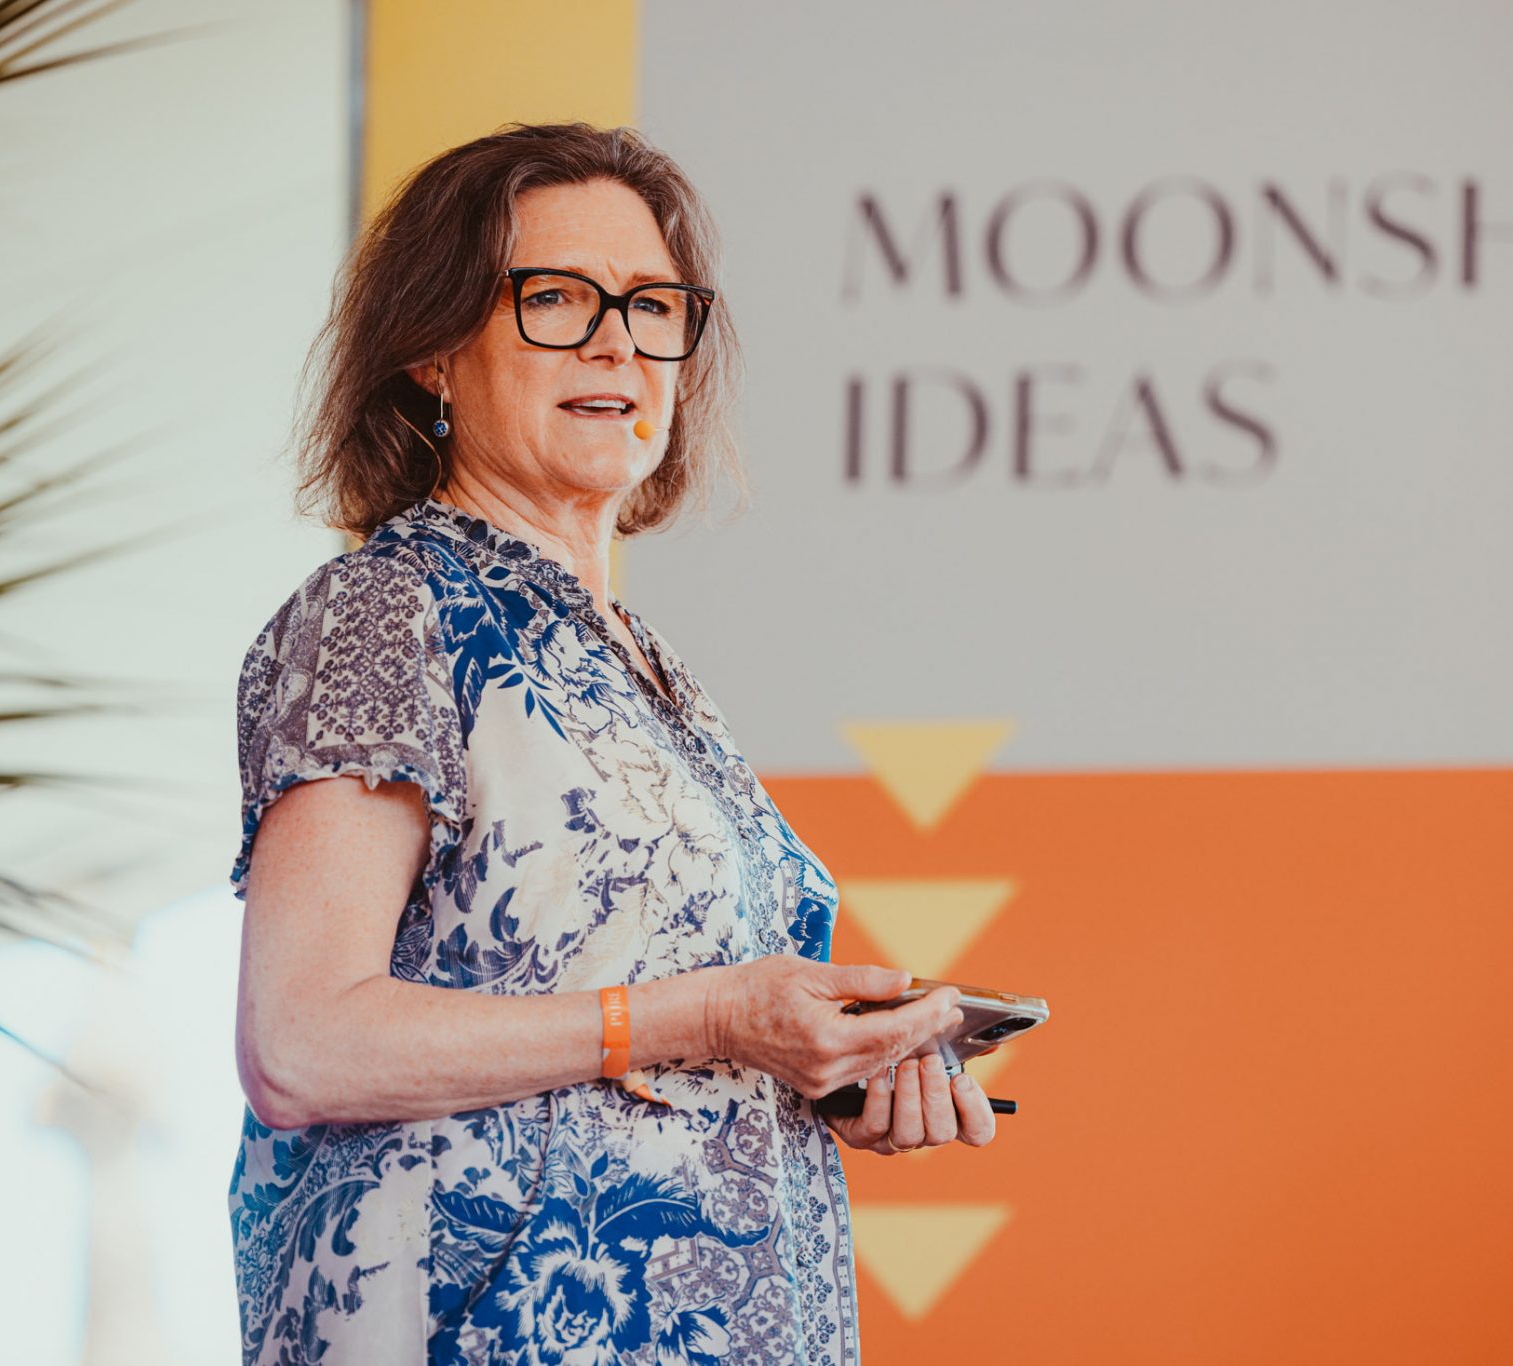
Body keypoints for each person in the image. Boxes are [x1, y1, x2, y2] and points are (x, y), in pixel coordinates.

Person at [227, 121, 997, 1365]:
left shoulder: (642, 665)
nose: (615, 343)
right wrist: (716, 1016)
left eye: (651, 306)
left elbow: (639, 1033)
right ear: (431, 348)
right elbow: (301, 1045)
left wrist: (827, 1077)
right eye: (555, 299)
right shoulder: (388, 611)